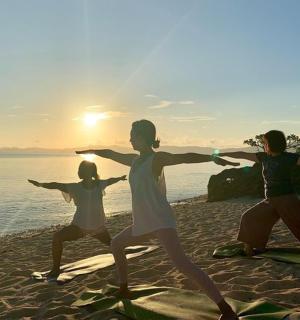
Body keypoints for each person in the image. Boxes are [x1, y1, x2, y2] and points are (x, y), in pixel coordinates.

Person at [76, 119, 240, 320]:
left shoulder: (157, 159)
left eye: (133, 135)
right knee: (116, 244)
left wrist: (213, 158)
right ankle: (124, 289)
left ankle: (226, 309)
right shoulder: (134, 160)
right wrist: (91, 150)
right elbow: (111, 153)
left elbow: (185, 157)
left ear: (144, 137)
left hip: (161, 221)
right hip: (142, 223)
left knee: (182, 265)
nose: (129, 139)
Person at [28, 160, 126, 278]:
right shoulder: (92, 185)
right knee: (112, 243)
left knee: (57, 238)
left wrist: (40, 184)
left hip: (87, 227)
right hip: (91, 226)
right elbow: (56, 184)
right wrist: (40, 184)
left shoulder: (87, 186)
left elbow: (56, 184)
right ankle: (55, 269)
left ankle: (55, 270)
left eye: (83, 170)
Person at [219, 130, 300, 256]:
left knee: (297, 224)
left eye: (265, 143)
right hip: (270, 200)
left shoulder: (289, 158)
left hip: (286, 199)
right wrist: (222, 153)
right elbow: (242, 154)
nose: (264, 145)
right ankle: (250, 249)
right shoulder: (264, 157)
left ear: (272, 144)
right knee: (249, 218)